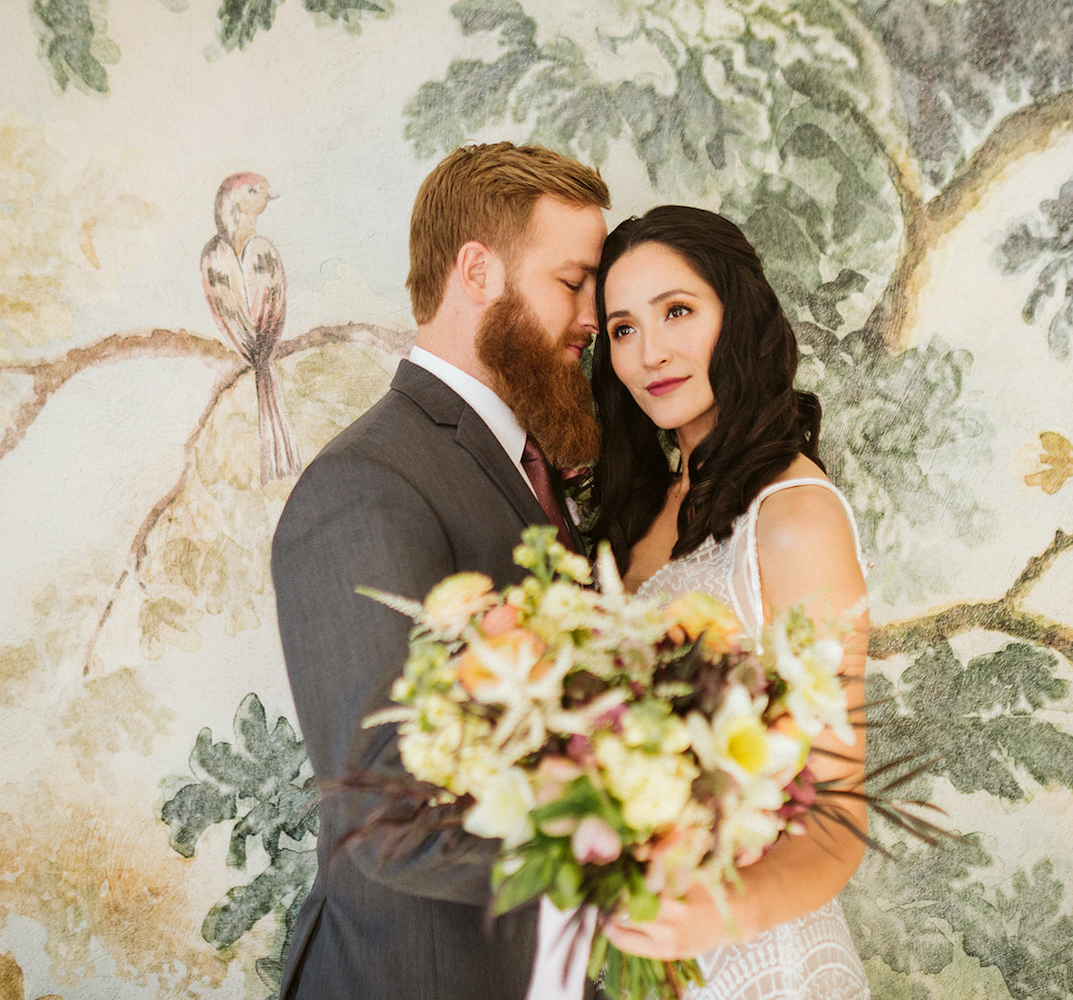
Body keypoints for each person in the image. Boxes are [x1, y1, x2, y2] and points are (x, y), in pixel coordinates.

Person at [271, 142, 609, 1000]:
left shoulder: (531, 464)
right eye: (573, 282)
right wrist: (620, 854)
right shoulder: (368, 486)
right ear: (478, 270)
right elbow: (386, 814)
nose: (593, 317)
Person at [590, 205, 871, 999]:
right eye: (621, 329)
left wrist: (714, 914)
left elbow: (838, 815)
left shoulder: (793, 519)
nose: (651, 353)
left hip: (756, 958)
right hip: (634, 947)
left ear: (734, 316)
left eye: (677, 311)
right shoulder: (640, 507)